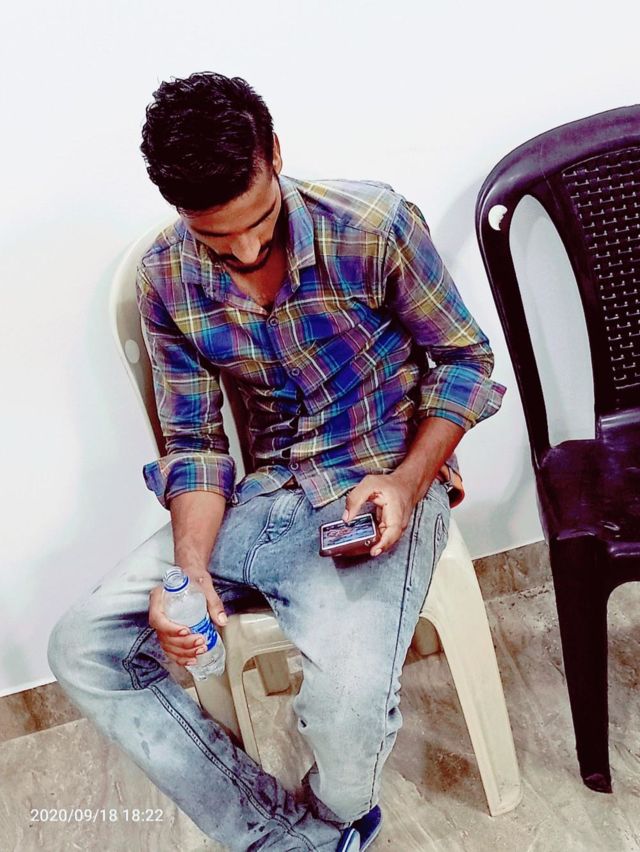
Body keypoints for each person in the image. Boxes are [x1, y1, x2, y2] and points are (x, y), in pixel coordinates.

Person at [47, 72, 506, 851]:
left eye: (258, 221)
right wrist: (190, 571)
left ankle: (334, 818)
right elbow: (195, 445)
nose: (246, 250)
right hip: (258, 499)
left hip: (376, 486)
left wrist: (407, 481)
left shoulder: (374, 226)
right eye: (216, 240)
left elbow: (465, 361)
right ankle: (286, 836)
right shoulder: (167, 276)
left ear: (276, 156)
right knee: (81, 646)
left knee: (347, 714)